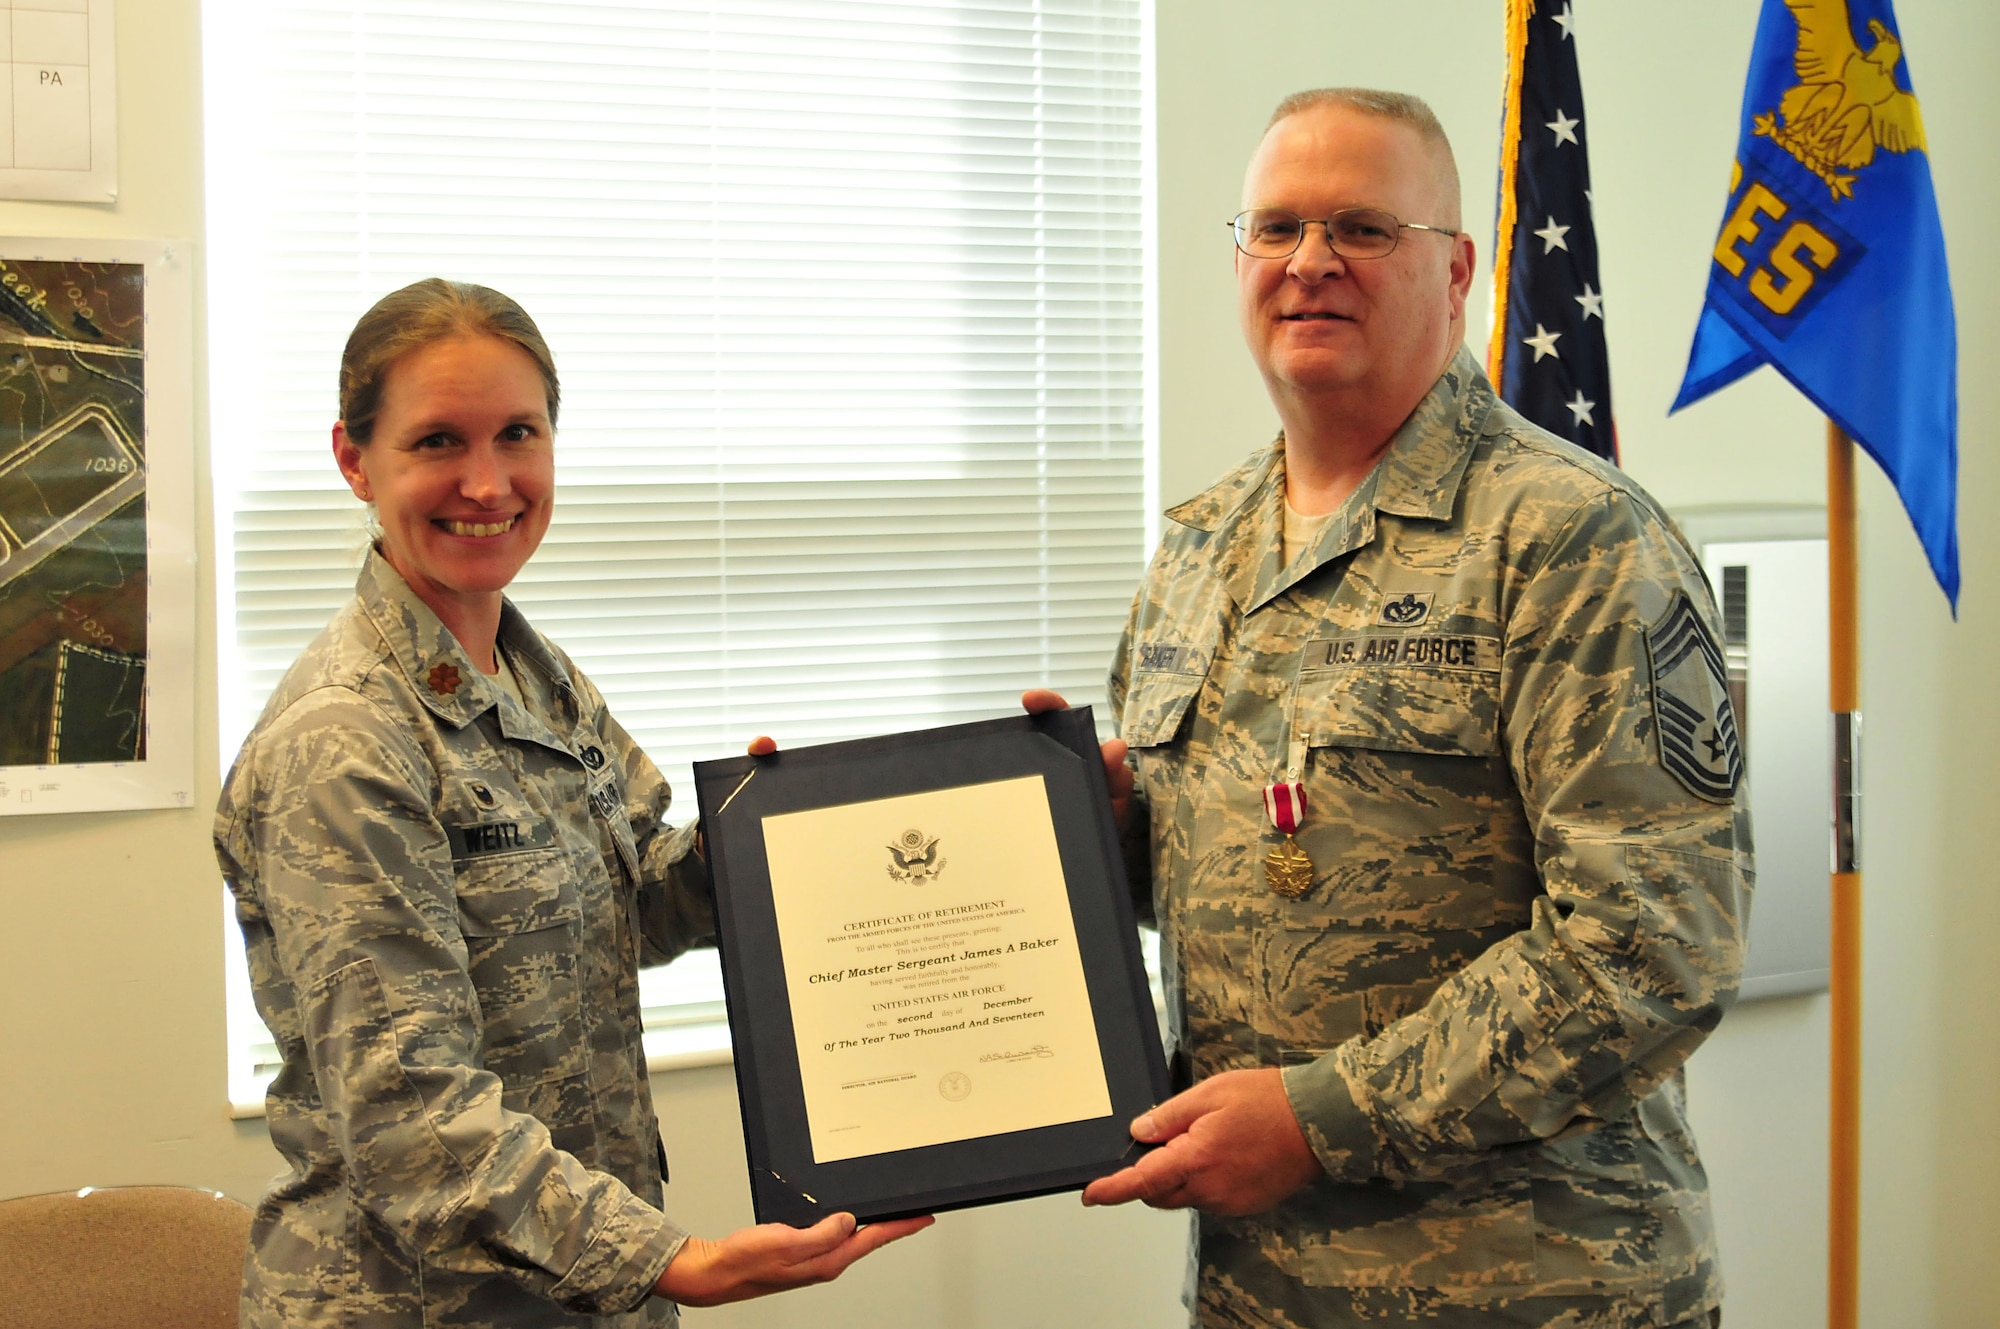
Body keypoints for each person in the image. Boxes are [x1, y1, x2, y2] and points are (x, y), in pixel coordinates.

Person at [1030, 88, 1750, 1328]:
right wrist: (1110, 839)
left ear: (1456, 267)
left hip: (1534, 1290)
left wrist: (1323, 1123)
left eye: (1361, 228)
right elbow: (1259, 877)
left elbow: (1651, 948)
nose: (1309, 263)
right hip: (1263, 1290)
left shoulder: (1570, 539)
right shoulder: (1197, 553)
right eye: (1274, 228)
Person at [215, 279, 929, 1328]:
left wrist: (786, 835)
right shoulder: (346, 740)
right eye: (437, 443)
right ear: (353, 459)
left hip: (579, 1299)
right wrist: (681, 1261)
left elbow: (632, 902)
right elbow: (413, 1122)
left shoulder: (532, 678)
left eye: (518, 433)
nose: (487, 481)